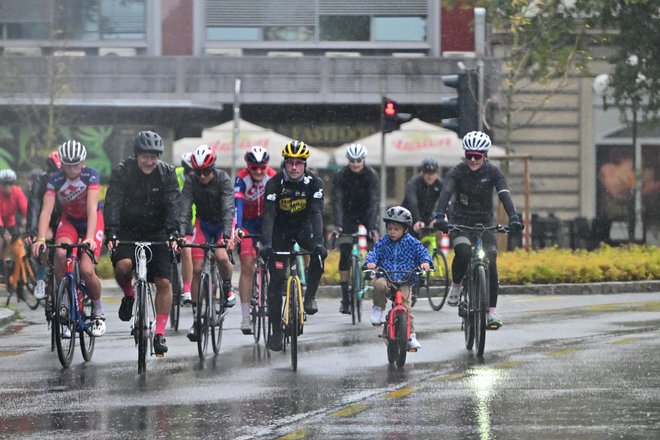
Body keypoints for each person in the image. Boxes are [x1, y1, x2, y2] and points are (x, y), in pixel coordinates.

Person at [433, 131, 524, 329]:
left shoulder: (493, 172)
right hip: (460, 222)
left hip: (484, 222)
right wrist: (440, 216)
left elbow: (504, 195)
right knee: (464, 252)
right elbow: (446, 193)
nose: (473, 160)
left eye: (477, 156)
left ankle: (492, 312)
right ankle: (456, 285)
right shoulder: (457, 172)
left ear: (485, 156)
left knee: (490, 260)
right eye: (469, 156)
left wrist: (514, 218)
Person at [104, 130, 181, 355]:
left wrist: (173, 233)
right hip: (128, 230)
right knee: (123, 266)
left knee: (164, 282)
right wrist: (112, 233)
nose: (149, 161)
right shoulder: (123, 172)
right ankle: (129, 294)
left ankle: (159, 333)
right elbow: (113, 203)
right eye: (145, 156)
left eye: (154, 156)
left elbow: (174, 205)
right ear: (137, 155)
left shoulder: (167, 174)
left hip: (158, 231)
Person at [31, 141, 106, 337]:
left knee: (86, 270)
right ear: (61, 164)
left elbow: (91, 208)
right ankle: (64, 299)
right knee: (61, 253)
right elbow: (46, 211)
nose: (72, 169)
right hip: (70, 220)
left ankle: (98, 312)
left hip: (91, 220)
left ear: (83, 163)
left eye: (76, 164)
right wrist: (40, 238)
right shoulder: (55, 179)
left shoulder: (91, 174)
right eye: (67, 165)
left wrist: (89, 238)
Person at [259, 140, 327, 352]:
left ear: (304, 164)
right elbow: (268, 215)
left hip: (304, 227)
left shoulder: (314, 183)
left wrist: (318, 243)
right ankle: (276, 331)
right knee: (277, 280)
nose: (294, 167)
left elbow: (316, 213)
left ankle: (309, 298)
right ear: (284, 164)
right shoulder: (274, 183)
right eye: (290, 163)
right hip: (280, 230)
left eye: (299, 163)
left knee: (318, 256)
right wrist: (267, 244)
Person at [180, 144, 235, 342]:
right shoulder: (191, 181)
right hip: (203, 224)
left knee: (220, 255)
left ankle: (227, 287)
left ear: (212, 168)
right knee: (196, 269)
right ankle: (196, 319)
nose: (202, 176)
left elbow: (229, 209)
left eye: (206, 172)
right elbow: (185, 210)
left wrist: (227, 237)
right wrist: (180, 235)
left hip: (222, 223)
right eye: (198, 172)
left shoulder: (223, 179)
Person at [365, 206, 431, 350]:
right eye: (389, 228)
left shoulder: (412, 243)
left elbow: (423, 253)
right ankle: (378, 308)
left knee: (407, 308)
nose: (392, 232)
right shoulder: (384, 242)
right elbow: (374, 253)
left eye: (396, 229)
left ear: (405, 229)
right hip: (387, 277)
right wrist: (371, 262)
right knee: (379, 285)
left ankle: (411, 336)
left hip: (405, 281)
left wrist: (425, 262)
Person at [328, 143, 380, 315]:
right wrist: (338, 225)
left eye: (359, 161)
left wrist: (372, 226)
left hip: (366, 211)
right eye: (352, 161)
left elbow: (374, 201)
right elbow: (336, 200)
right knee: (345, 250)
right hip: (347, 213)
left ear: (363, 160)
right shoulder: (341, 175)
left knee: (375, 239)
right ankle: (345, 297)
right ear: (348, 161)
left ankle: (370, 270)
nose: (356, 164)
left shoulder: (371, 175)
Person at [233, 145, 276, 334]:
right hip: (248, 225)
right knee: (247, 264)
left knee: (276, 262)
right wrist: (237, 228)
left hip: (266, 222)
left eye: (262, 167)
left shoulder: (273, 177)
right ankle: (245, 317)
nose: (258, 172)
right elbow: (238, 206)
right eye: (254, 168)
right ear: (248, 166)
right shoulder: (242, 178)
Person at [25, 151, 62, 300]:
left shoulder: (71, 180)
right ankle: (40, 279)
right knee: (43, 241)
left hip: (64, 221)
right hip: (45, 220)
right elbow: (34, 206)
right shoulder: (41, 182)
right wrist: (31, 231)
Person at [401, 158, 443, 237]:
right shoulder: (414, 183)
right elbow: (412, 202)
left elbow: (446, 201)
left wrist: (440, 217)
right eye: (428, 174)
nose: (430, 177)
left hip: (427, 215)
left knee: (440, 227)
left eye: (433, 174)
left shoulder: (439, 184)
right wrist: (417, 220)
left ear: (437, 174)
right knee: (410, 239)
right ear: (423, 173)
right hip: (409, 216)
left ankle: (435, 247)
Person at [0, 169, 28, 284]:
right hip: (1, 223)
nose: (7, 187)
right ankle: (2, 266)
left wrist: (29, 221)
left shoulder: (17, 192)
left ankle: (18, 271)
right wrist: (2, 232)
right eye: (4, 184)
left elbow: (25, 208)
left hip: (11, 222)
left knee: (18, 244)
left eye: (10, 184)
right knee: (2, 242)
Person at [176, 152, 195, 305]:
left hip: (194, 222)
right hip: (176, 219)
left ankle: (188, 288)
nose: (192, 175)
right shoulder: (174, 175)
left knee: (188, 251)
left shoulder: (200, 180)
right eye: (189, 171)